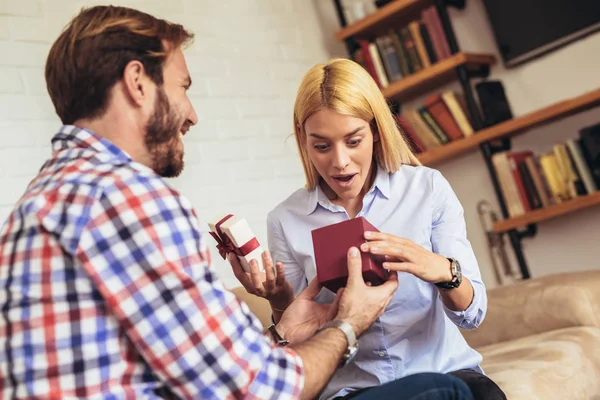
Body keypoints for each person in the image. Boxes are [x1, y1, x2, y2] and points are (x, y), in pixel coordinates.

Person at [0, 6, 475, 400]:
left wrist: (283, 329)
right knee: (444, 393)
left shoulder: (38, 204)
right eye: (183, 87)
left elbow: (192, 367)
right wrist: (349, 323)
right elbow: (256, 387)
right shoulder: (129, 200)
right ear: (137, 82)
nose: (192, 114)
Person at [230, 58, 508, 400]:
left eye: (353, 140)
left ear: (375, 131)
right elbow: (302, 332)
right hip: (353, 390)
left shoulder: (426, 189)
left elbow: (473, 314)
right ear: (303, 139)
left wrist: (436, 268)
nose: (340, 161)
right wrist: (278, 298)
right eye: (321, 145)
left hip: (443, 369)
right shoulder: (286, 220)